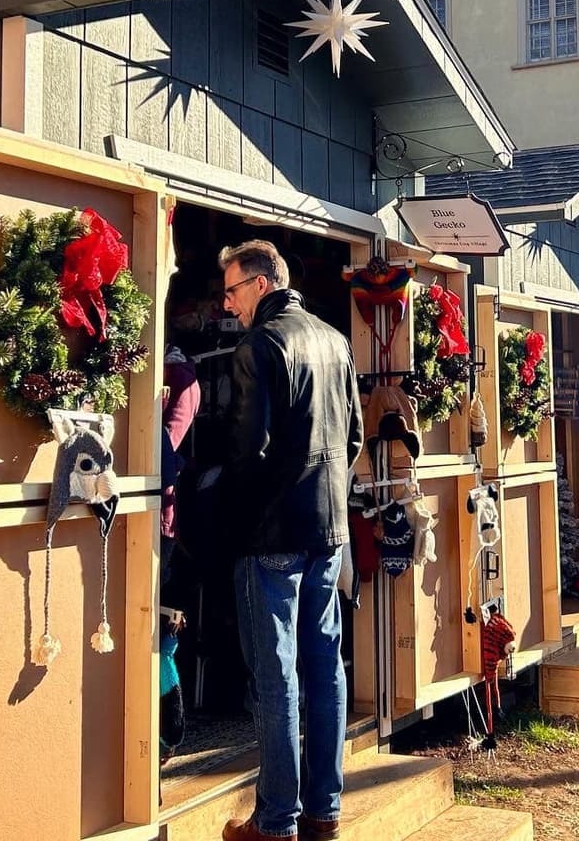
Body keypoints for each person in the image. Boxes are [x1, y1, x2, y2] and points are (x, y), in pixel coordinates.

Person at [215, 240, 364, 841]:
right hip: (326, 528)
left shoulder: (260, 344)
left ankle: (277, 820)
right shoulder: (334, 339)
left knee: (276, 678)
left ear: (259, 284)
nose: (227, 303)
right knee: (325, 667)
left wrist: (230, 514)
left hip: (273, 532)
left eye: (231, 289)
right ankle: (323, 812)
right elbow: (353, 437)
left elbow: (247, 450)